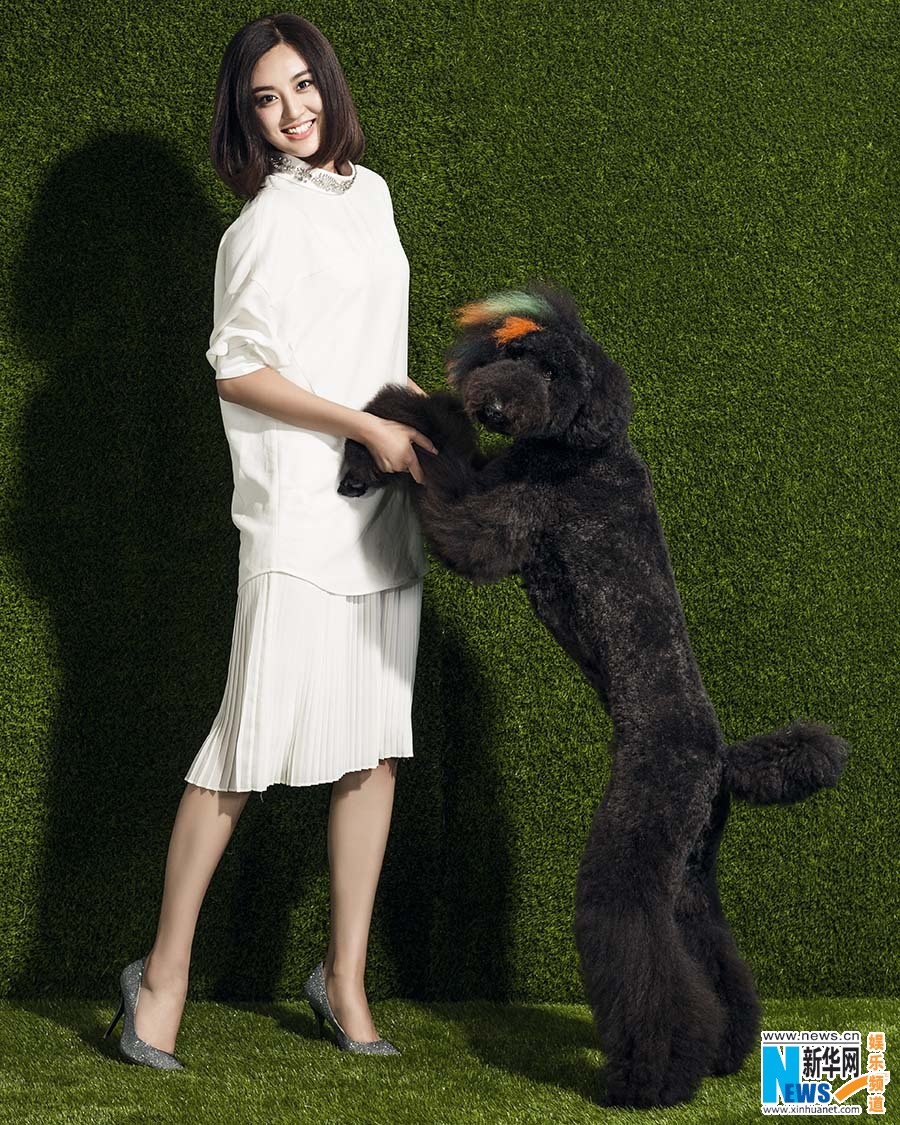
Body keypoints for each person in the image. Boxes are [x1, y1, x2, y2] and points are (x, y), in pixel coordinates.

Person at [103, 12, 436, 1068]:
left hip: (381, 509)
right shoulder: (261, 225)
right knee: (244, 748)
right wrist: (363, 426)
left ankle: (345, 979)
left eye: (303, 86)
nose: (292, 111)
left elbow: (366, 346)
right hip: (297, 513)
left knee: (373, 750)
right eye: (266, 99)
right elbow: (237, 369)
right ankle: (162, 976)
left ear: (329, 84)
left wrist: (415, 411)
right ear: (244, 118)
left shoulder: (372, 196)